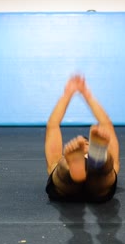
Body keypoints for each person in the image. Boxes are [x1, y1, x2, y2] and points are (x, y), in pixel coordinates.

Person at [45, 74, 120, 203]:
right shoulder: (62, 158)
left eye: (87, 143)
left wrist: (80, 94)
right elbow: (53, 126)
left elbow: (53, 125)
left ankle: (96, 160)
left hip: (75, 189)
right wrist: (74, 95)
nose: (84, 145)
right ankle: (75, 167)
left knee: (106, 168)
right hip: (95, 189)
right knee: (61, 167)